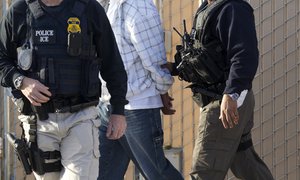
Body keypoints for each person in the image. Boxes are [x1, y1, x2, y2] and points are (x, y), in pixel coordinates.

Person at [0, 0, 128, 179]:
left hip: (81, 117)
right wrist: (21, 81)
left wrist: (119, 111)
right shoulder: (19, 11)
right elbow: (2, 58)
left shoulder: (89, 8)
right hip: (39, 121)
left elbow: (112, 63)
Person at [164, 0, 274, 179]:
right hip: (224, 98)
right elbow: (203, 54)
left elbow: (245, 56)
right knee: (244, 161)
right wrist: (173, 67)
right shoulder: (207, 8)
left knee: (205, 172)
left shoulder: (233, 8)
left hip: (224, 102)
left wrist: (231, 93)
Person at [97, 0, 183, 179]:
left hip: (137, 106)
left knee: (156, 173)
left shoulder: (138, 6)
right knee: (102, 175)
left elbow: (155, 60)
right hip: (106, 104)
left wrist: (162, 90)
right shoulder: (102, 4)